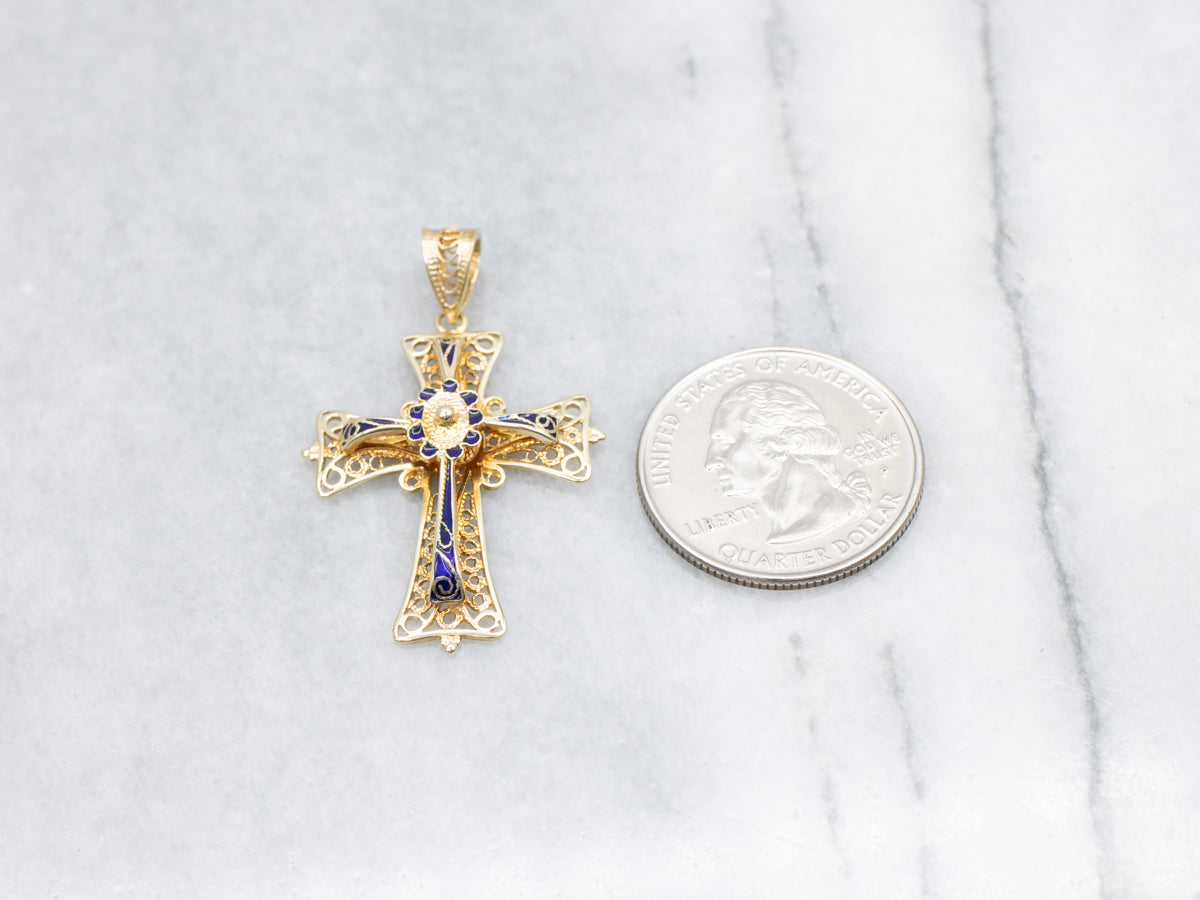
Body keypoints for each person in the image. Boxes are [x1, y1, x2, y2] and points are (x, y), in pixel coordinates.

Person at [705, 381, 870, 542]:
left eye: (726, 444)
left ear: (778, 442)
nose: (710, 463)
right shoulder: (785, 529)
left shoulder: (831, 514)